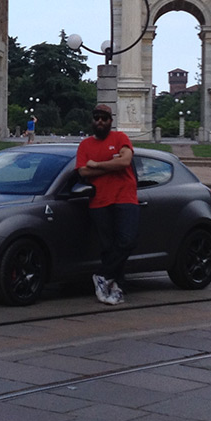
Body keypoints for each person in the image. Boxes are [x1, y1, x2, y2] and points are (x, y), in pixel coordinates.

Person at [76, 103, 138, 306]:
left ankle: (102, 275)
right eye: (96, 118)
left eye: (104, 118)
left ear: (111, 121)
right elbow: (83, 172)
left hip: (125, 198)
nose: (100, 121)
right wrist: (112, 166)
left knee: (127, 241)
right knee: (108, 247)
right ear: (92, 121)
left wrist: (97, 165)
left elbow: (125, 162)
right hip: (100, 201)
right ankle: (116, 287)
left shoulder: (120, 138)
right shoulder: (85, 145)